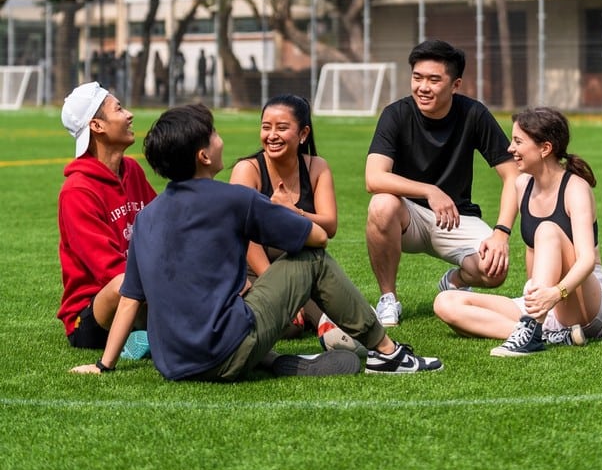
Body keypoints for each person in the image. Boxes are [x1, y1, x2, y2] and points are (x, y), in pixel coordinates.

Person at [70, 104, 443, 380]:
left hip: (174, 364)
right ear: (203, 155)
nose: (221, 140)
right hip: (222, 352)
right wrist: (285, 209)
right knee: (311, 261)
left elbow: (131, 298)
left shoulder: (147, 215)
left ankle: (272, 361)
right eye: (214, 134)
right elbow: (319, 239)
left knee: (235, 308)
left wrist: (105, 364)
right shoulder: (234, 197)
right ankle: (387, 353)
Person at [433, 107, 602, 356]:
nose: (510, 149)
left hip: (589, 304)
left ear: (545, 148)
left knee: (547, 230)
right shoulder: (522, 185)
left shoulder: (575, 189)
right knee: (446, 303)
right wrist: (535, 296)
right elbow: (531, 256)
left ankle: (531, 331)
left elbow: (586, 260)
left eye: (518, 141)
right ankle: (547, 335)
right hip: (547, 307)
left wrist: (555, 293)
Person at [365, 38, 519, 326]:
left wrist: (501, 233)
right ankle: (388, 298)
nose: (423, 87)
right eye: (417, 77)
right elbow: (374, 177)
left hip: (456, 217)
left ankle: (454, 281)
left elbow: (513, 175)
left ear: (455, 84)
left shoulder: (474, 114)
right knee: (381, 203)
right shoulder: (395, 114)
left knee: (493, 271)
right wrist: (429, 190)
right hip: (407, 217)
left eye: (434, 80)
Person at [229, 94, 352, 349]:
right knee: (286, 326)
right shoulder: (247, 170)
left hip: (302, 266)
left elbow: (329, 226)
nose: (272, 135)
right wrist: (276, 287)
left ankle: (318, 317)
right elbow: (245, 236)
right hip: (254, 270)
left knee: (344, 320)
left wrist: (292, 210)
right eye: (266, 127)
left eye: (282, 128)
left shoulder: (317, 167)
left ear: (303, 133)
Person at [58, 81, 157, 357]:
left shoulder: (132, 170)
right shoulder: (77, 191)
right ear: (97, 126)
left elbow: (160, 225)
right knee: (121, 283)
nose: (129, 115)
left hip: (140, 290)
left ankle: (148, 333)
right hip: (92, 313)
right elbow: (107, 270)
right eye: (119, 109)